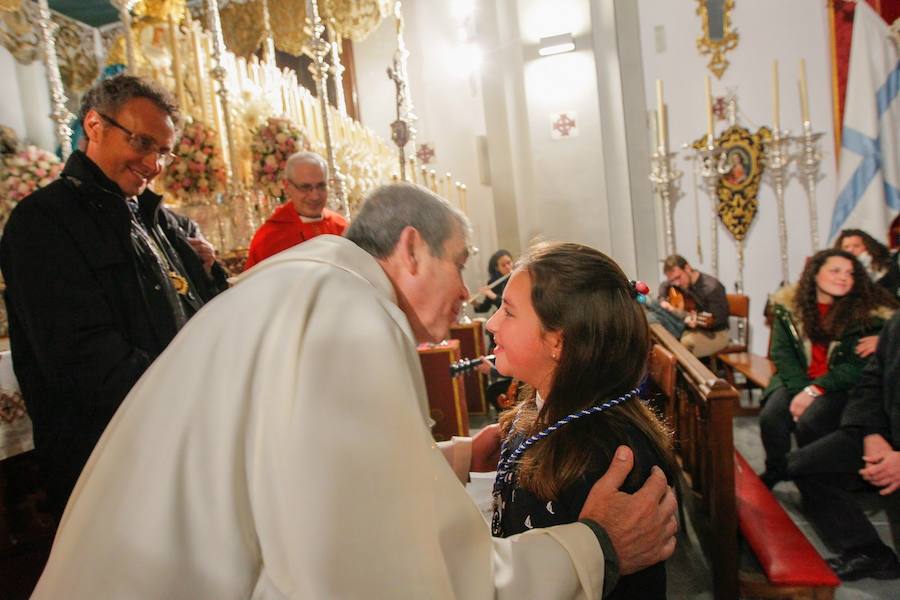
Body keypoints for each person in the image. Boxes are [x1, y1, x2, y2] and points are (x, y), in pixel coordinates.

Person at [31, 184, 677, 599]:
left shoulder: (312, 286)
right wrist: (590, 547)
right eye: (462, 261)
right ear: (412, 248)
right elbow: (394, 577)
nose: (467, 296)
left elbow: (310, 478)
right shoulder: (348, 318)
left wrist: (450, 459)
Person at [0, 74, 228, 518]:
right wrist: (193, 393)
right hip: (110, 454)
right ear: (94, 125)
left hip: (182, 436)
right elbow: (82, 358)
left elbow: (205, 314)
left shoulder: (162, 219)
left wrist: (208, 272)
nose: (155, 164)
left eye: (163, 151)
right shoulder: (43, 222)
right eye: (143, 143)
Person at [487, 242, 677, 599]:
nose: (491, 322)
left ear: (559, 340)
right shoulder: (543, 412)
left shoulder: (601, 453)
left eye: (509, 312)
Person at [758, 249, 898, 488]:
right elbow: (783, 355)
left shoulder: (868, 314)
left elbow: (855, 367)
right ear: (815, 274)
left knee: (811, 420)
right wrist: (802, 389)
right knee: (772, 416)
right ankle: (776, 469)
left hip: (838, 384)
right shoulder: (788, 309)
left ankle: (815, 479)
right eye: (835, 271)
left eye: (850, 273)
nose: (843, 277)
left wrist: (815, 390)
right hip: (797, 379)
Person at [787, 311, 900, 580]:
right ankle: (869, 552)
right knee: (805, 465)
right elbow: (872, 380)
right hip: (886, 433)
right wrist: (872, 434)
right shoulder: (896, 323)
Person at [243, 151, 347, 270]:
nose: (315, 196)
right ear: (287, 186)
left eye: (321, 186)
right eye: (305, 187)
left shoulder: (341, 227)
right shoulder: (269, 238)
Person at [656, 254, 730, 357]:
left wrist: (697, 322)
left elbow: (720, 319)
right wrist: (662, 300)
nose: (676, 284)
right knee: (666, 336)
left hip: (718, 333)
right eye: (672, 280)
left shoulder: (712, 287)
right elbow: (664, 285)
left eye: (678, 277)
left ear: (687, 268)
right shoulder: (681, 282)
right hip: (696, 328)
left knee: (685, 343)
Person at [835, 228, 900, 298]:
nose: (850, 250)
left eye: (856, 246)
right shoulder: (835, 271)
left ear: (868, 246)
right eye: (846, 247)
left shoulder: (887, 266)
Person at [472, 249, 514, 314]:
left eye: (509, 263)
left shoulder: (518, 278)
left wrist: (493, 296)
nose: (508, 267)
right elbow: (485, 307)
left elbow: (513, 305)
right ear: (497, 268)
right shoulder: (493, 282)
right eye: (503, 265)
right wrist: (474, 303)